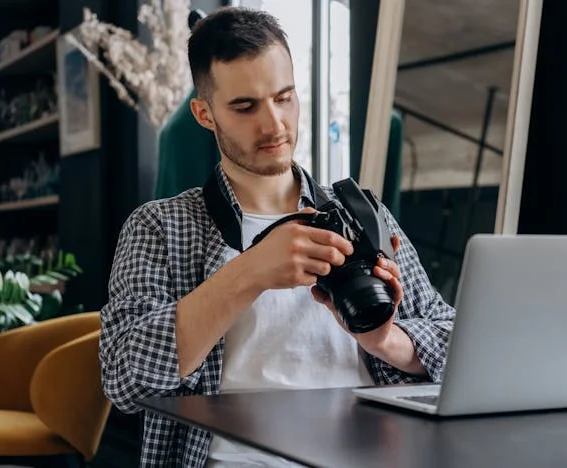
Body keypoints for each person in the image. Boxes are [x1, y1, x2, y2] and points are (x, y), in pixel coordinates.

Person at [99, 6, 456, 468]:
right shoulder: (160, 227)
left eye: (284, 97)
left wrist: (384, 341)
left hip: (373, 456)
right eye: (245, 106)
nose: (274, 125)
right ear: (204, 114)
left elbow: (451, 343)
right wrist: (249, 272)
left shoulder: (359, 212)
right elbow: (125, 379)